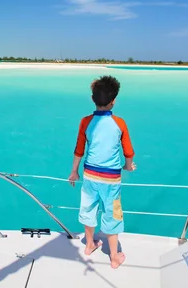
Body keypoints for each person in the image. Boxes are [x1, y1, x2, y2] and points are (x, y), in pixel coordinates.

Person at [68, 75, 136, 269]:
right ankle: (114, 257)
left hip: (89, 177)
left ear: (93, 99)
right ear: (114, 100)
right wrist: (128, 166)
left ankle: (89, 245)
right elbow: (128, 152)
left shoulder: (85, 122)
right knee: (113, 213)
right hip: (111, 181)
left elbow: (79, 150)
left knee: (88, 209)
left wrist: (74, 171)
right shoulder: (120, 123)